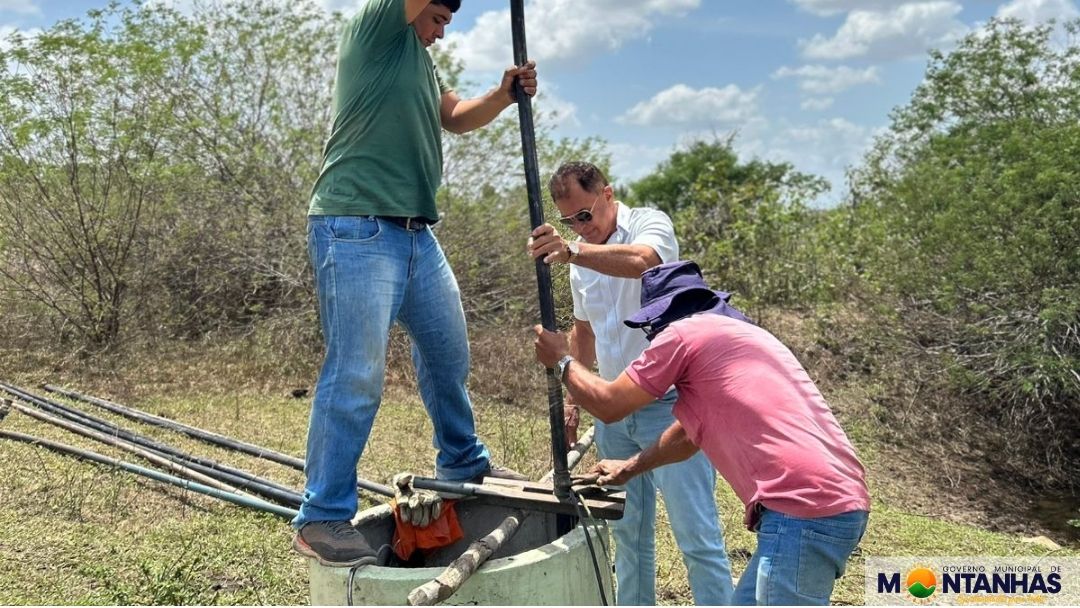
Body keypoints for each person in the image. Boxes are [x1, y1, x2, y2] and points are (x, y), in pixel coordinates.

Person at [294, 0, 535, 568]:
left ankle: (462, 464)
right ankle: (322, 516)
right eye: (437, 21)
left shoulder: (422, 65)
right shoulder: (377, 28)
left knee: (448, 351)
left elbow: (454, 117)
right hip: (356, 225)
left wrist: (504, 94)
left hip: (415, 235)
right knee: (357, 371)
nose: (440, 34)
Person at [533, 261, 871, 606]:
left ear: (667, 317)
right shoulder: (744, 340)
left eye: (654, 329)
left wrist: (562, 361)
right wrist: (630, 468)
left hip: (802, 511)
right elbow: (686, 436)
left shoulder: (684, 334)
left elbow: (610, 404)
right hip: (832, 502)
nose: (653, 340)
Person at [527, 162, 735, 605]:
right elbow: (583, 331)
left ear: (607, 194)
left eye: (585, 215)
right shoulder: (578, 256)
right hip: (614, 410)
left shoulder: (647, 223)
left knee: (696, 537)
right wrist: (573, 399)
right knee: (629, 538)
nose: (581, 227)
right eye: (570, 221)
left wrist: (571, 250)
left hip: (672, 404)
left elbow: (645, 262)